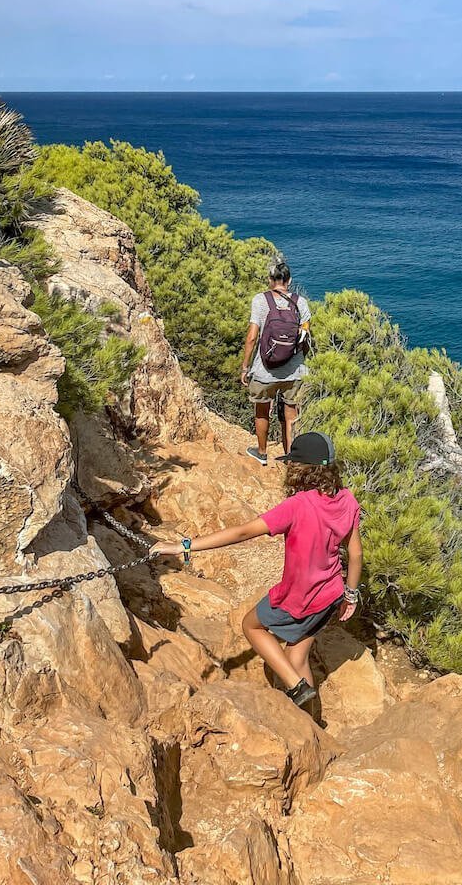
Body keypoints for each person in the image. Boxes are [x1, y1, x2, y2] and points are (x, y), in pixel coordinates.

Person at [151, 431, 361, 707]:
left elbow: (243, 532)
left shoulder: (297, 506)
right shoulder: (347, 499)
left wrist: (184, 546)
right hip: (330, 593)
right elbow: (355, 553)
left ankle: (297, 688)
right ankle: (310, 723)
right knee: (297, 657)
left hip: (299, 596)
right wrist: (351, 596)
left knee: (251, 625)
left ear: (300, 469)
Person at [241, 260, 312, 467]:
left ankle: (262, 453)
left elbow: (252, 338)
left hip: (265, 370)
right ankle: (291, 459)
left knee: (262, 410)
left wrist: (245, 367)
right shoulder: (301, 302)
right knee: (291, 416)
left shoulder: (260, 301)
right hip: (295, 370)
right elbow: (305, 336)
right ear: (289, 281)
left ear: (270, 280)